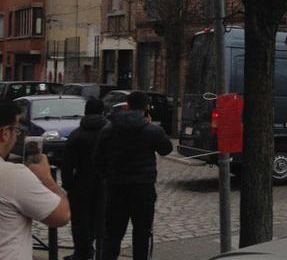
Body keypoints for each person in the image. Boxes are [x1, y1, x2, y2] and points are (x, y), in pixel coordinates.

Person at [96, 91, 172, 260]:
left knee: (113, 235)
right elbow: (166, 149)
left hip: (116, 187)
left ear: (127, 106)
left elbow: (98, 160)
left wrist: (108, 177)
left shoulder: (109, 129)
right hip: (143, 188)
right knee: (142, 234)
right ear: (146, 107)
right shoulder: (151, 130)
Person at [0, 99, 71, 259]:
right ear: (4, 133)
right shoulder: (12, 175)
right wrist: (46, 179)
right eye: (16, 130)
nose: (16, 137)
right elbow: (61, 215)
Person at [61, 99, 108, 260]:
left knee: (80, 220)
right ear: (103, 112)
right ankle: (102, 251)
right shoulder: (110, 133)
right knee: (103, 218)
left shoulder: (77, 134)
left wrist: (68, 185)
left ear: (86, 112)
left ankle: (82, 252)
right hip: (105, 182)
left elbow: (67, 164)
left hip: (81, 182)